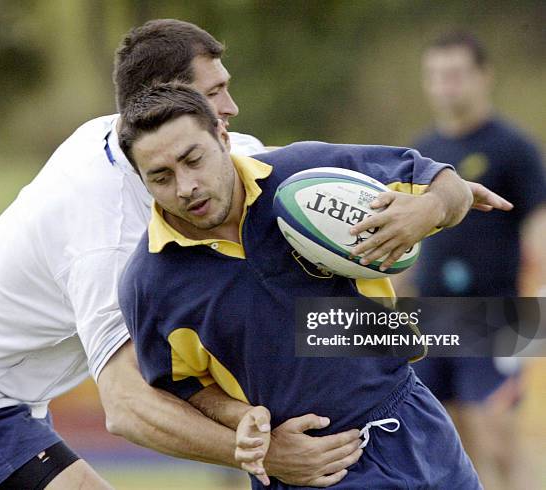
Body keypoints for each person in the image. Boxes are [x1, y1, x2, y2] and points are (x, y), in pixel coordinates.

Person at [0, 20, 365, 490]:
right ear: (163, 101)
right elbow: (128, 408)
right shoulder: (105, 231)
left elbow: (307, 168)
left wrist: (434, 198)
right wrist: (270, 456)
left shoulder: (160, 146)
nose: (231, 107)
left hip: (2, 406)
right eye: (215, 91)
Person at [117, 83, 496, 489]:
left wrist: (429, 210)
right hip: (314, 471)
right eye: (161, 177)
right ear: (141, 180)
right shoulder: (150, 284)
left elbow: (447, 185)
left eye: (194, 160)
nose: (185, 186)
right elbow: (183, 389)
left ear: (222, 137)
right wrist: (241, 421)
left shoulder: (306, 174)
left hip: (416, 427)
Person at [410, 32, 546, 490]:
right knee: (447, 445)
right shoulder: (420, 152)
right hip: (430, 316)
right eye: (435, 76)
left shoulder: (514, 148)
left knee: (500, 438)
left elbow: (539, 229)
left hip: (498, 313)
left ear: (483, 77)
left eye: (455, 74)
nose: (445, 86)